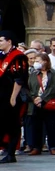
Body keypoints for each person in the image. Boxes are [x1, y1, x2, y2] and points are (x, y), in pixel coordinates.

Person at [23, 48, 55, 155]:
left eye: (38, 61)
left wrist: (42, 98)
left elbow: (54, 88)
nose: (36, 63)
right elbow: (29, 88)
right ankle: (36, 147)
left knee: (50, 125)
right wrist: (35, 98)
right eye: (35, 61)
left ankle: (53, 146)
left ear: (45, 61)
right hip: (35, 103)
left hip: (48, 102)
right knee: (36, 126)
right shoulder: (33, 74)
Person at [0, 34, 25, 162]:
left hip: (11, 95)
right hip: (1, 95)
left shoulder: (18, 56)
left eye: (1, 40)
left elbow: (19, 78)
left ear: (9, 41)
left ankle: (11, 153)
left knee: (12, 125)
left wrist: (13, 97)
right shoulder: (1, 56)